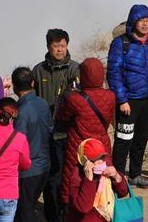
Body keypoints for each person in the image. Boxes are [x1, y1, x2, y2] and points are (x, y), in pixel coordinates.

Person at [106, 4, 148, 189]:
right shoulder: (121, 43)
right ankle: (118, 178)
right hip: (129, 101)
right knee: (123, 140)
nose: (144, 24)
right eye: (140, 20)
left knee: (141, 139)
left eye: (147, 20)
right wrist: (122, 100)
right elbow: (113, 72)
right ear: (133, 22)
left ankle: (135, 175)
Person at [31, 29, 79, 222]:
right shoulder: (38, 70)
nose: (60, 50)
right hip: (45, 133)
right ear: (48, 47)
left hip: (67, 132)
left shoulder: (74, 69)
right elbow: (32, 99)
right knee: (50, 177)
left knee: (67, 175)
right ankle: (52, 215)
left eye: (63, 45)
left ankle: (67, 212)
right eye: (56, 46)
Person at [55, 58, 115, 211]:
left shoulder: (75, 98)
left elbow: (62, 116)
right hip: (101, 144)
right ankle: (102, 206)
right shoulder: (111, 96)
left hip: (79, 146)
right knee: (102, 176)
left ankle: (73, 209)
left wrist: (66, 96)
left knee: (74, 179)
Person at [11, 67, 52, 222]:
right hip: (44, 165)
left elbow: (18, 143)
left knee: (25, 211)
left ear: (14, 87)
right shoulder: (43, 103)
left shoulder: (20, 112)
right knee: (30, 206)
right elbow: (50, 129)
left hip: (27, 171)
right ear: (33, 83)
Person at [63, 139, 129, 222]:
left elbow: (123, 193)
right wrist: (89, 180)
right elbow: (83, 208)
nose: (100, 161)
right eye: (95, 159)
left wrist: (117, 176)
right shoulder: (77, 176)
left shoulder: (107, 165)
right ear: (85, 161)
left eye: (102, 157)